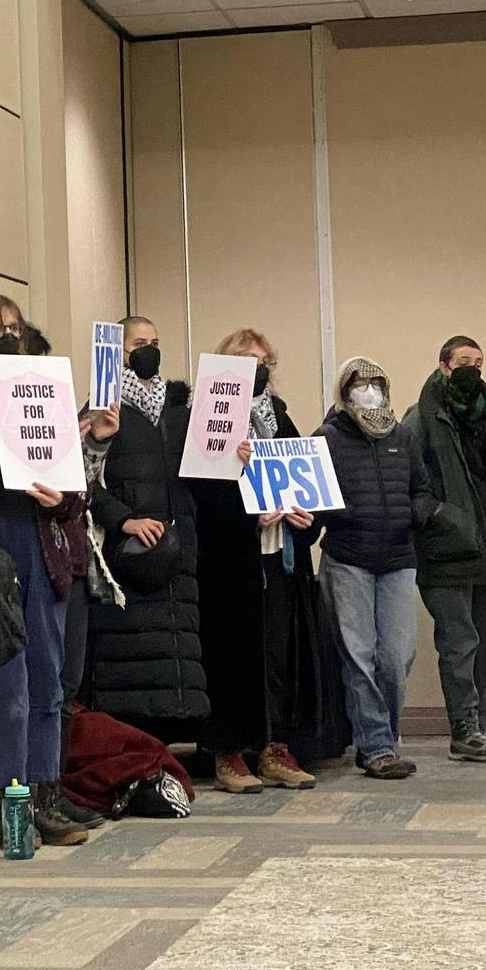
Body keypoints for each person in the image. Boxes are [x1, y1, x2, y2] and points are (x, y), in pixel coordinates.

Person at [0, 316, 98, 845]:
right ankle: (11, 811)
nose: (7, 340)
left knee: (48, 683)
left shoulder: (47, 400)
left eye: (14, 329)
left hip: (45, 552)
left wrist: (61, 499)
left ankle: (46, 800)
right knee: (9, 691)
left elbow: (76, 496)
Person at [183, 330, 327, 793]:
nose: (258, 368)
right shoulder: (203, 421)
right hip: (229, 563)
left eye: (265, 361)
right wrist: (245, 506)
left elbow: (307, 485)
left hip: (280, 559)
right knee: (231, 655)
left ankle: (274, 747)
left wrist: (308, 518)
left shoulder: (280, 418)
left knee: (278, 656)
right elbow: (201, 496)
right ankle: (228, 752)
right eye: (247, 359)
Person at [85, 317, 210, 745]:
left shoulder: (179, 414)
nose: (149, 350)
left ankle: (164, 757)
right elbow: (83, 481)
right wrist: (124, 519)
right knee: (129, 675)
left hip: (178, 558)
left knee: (174, 672)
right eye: (139, 342)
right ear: (117, 352)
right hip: (128, 559)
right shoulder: (98, 411)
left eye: (155, 342)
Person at [316, 357, 435, 780]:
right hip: (348, 558)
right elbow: (313, 496)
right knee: (358, 655)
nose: (368, 391)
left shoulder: (403, 436)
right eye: (359, 384)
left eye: (376, 383)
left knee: (397, 656)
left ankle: (384, 735)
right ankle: (376, 745)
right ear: (343, 391)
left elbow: (422, 489)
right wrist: (339, 514)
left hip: (399, 560)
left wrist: (414, 515)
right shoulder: (327, 438)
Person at [402, 336, 486, 763]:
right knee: (459, 642)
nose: (472, 369)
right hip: (445, 550)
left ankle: (481, 725)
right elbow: (406, 482)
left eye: (478, 362)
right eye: (464, 361)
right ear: (444, 365)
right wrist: (438, 515)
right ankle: (464, 728)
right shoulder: (420, 418)